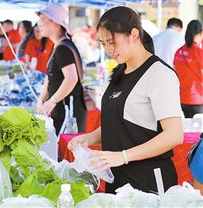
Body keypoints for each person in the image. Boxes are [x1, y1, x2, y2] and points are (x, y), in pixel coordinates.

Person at [68, 6, 183, 194]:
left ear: (134, 34)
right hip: (118, 178)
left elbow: (174, 135)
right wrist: (88, 138)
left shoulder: (159, 74)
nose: (108, 50)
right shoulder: (119, 72)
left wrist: (123, 156)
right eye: (104, 43)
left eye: (113, 42)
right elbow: (119, 124)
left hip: (148, 180)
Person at [36, 3, 86, 135]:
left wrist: (51, 101)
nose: (39, 24)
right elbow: (50, 76)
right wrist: (41, 100)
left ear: (55, 23)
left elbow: (71, 79)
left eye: (42, 20)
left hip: (69, 110)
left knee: (64, 148)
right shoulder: (58, 46)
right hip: (62, 108)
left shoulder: (63, 48)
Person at [173, 20, 203, 118]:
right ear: (200, 33)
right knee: (198, 131)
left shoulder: (179, 51)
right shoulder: (199, 52)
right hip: (197, 98)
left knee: (188, 131)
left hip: (182, 98)